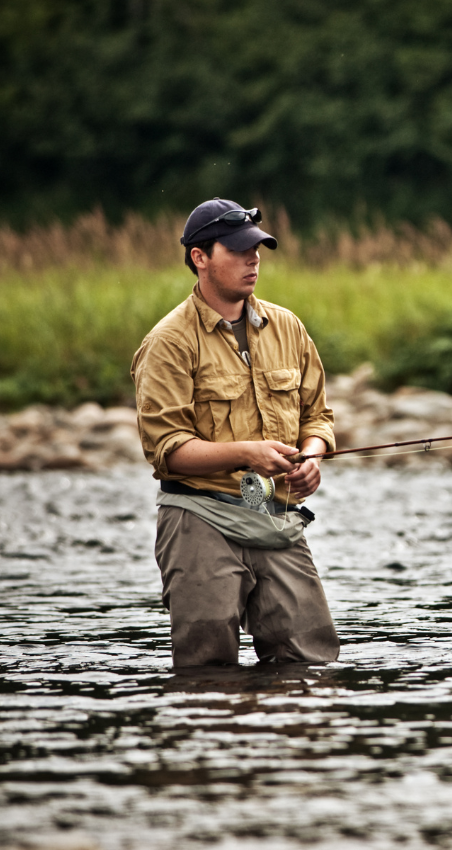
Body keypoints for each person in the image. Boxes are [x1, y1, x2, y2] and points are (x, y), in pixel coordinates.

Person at [131, 198, 340, 667]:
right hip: (198, 518)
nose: (254, 259)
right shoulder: (168, 342)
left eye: (258, 249)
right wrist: (247, 452)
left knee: (310, 664)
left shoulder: (287, 327)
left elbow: (318, 416)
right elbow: (168, 452)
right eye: (239, 250)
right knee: (207, 670)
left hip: (275, 515)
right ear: (200, 258)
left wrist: (312, 456)